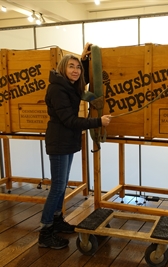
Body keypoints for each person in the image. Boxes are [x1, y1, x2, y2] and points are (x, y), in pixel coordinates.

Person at [39, 50, 112, 249]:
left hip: (66, 141)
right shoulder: (57, 90)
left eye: (77, 67)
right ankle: (45, 232)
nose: (76, 70)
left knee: (61, 186)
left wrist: (84, 59)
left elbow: (83, 79)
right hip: (59, 142)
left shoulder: (69, 86)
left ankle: (57, 220)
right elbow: (69, 120)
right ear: (63, 68)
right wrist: (98, 121)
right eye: (71, 66)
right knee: (57, 187)